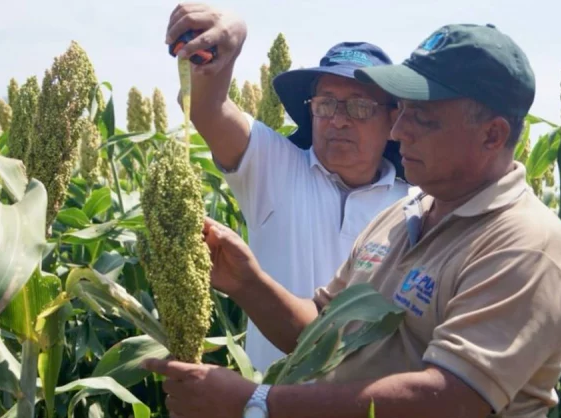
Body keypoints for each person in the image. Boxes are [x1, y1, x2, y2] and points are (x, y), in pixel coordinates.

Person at [146, 22, 561, 418]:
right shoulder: (402, 215)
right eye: (403, 112)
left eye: (422, 118)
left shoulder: (524, 246)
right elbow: (322, 335)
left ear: (493, 135)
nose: (398, 130)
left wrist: (255, 405)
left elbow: (445, 404)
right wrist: (248, 282)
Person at [165, 3, 413, 374]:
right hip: (267, 417)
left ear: (393, 118)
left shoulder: (416, 207)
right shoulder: (274, 166)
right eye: (326, 104)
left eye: (359, 107)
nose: (339, 120)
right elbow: (207, 107)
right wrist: (231, 35)